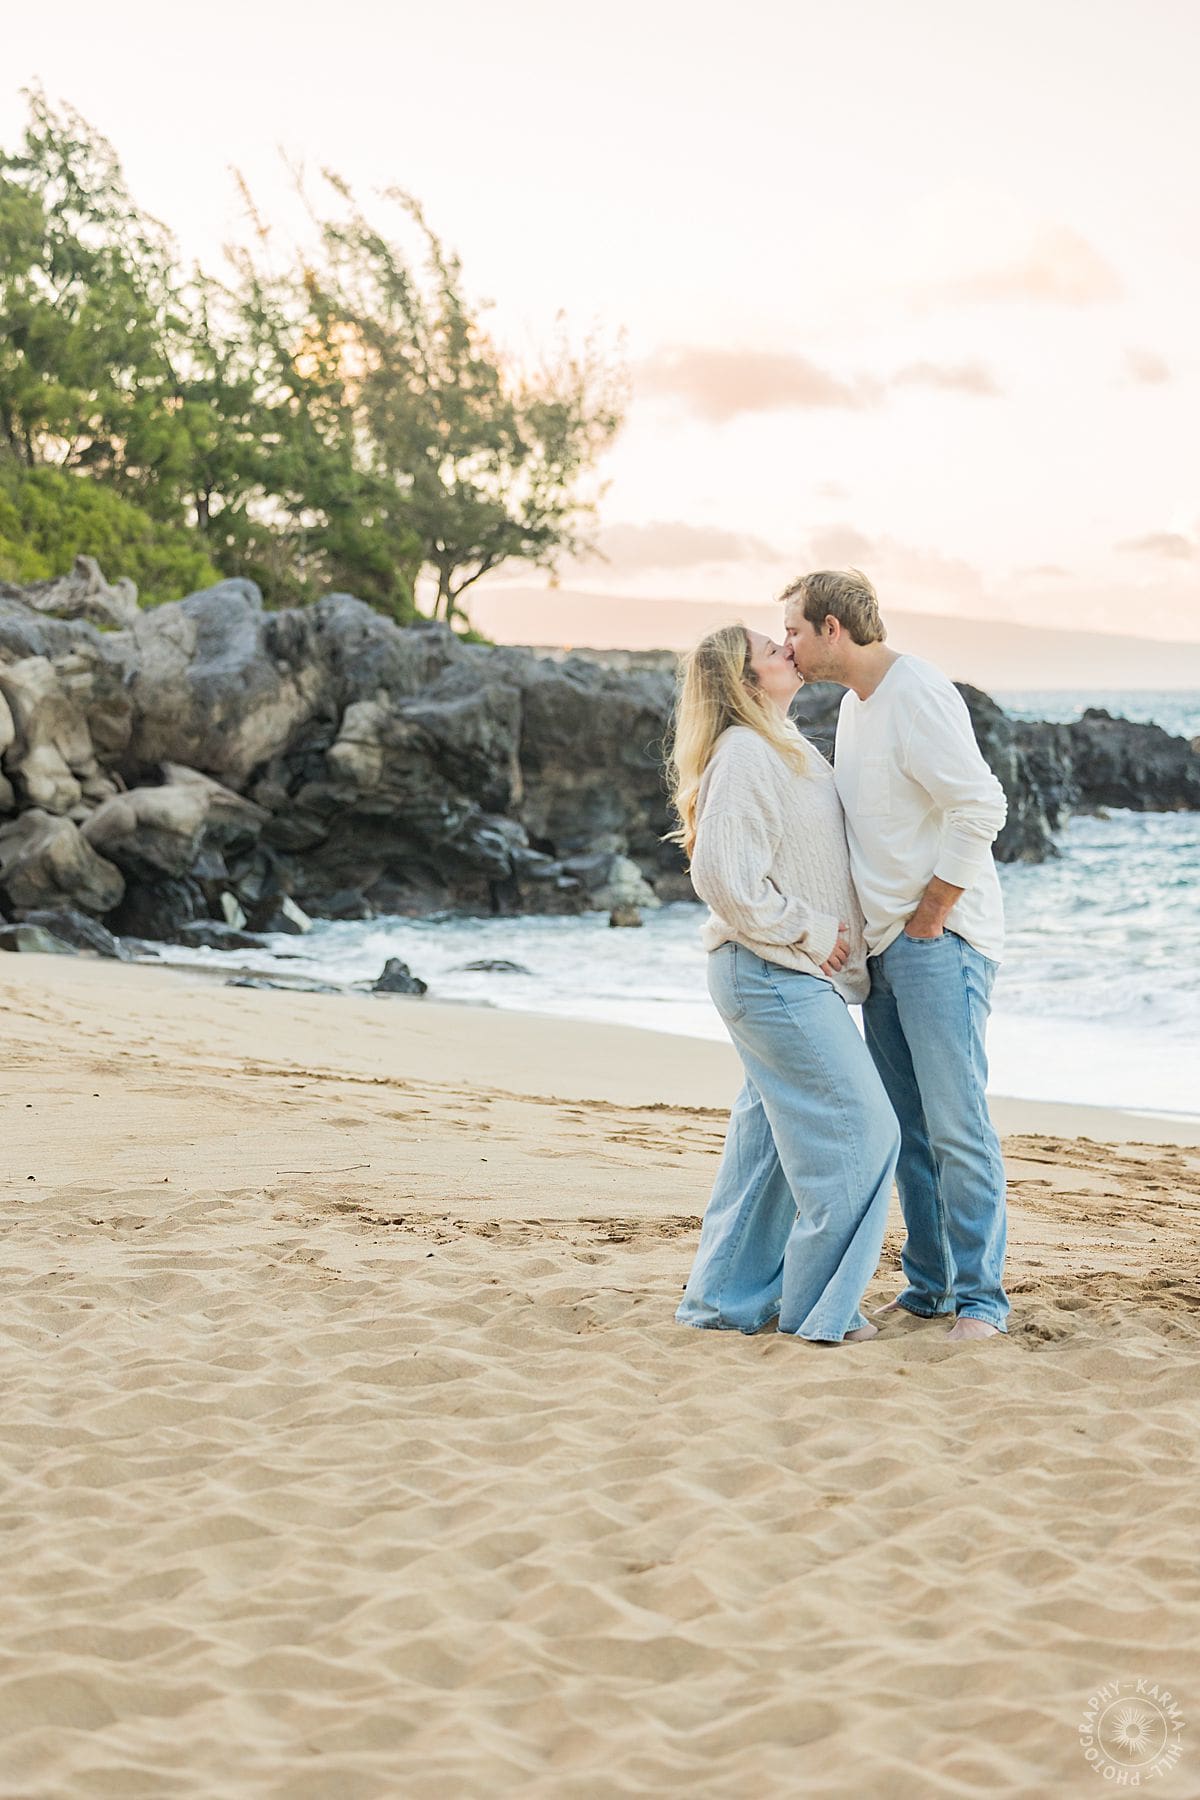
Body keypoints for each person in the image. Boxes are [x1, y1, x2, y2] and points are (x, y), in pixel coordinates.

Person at [782, 568, 1010, 1341]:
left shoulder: (915, 692)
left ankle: (982, 1302)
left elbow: (980, 804)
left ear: (833, 628)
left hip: (937, 943)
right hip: (882, 951)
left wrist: (932, 914)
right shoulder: (855, 707)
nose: (788, 645)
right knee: (908, 1131)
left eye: (795, 630)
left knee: (957, 1128)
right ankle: (931, 1288)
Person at [668, 624, 901, 1343]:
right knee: (866, 1130)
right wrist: (811, 930)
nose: (787, 652)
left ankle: (722, 1303)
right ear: (745, 680)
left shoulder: (783, 743)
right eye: (771, 650)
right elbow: (720, 876)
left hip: (778, 974)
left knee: (766, 1153)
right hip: (771, 972)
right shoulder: (744, 751)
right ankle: (819, 1309)